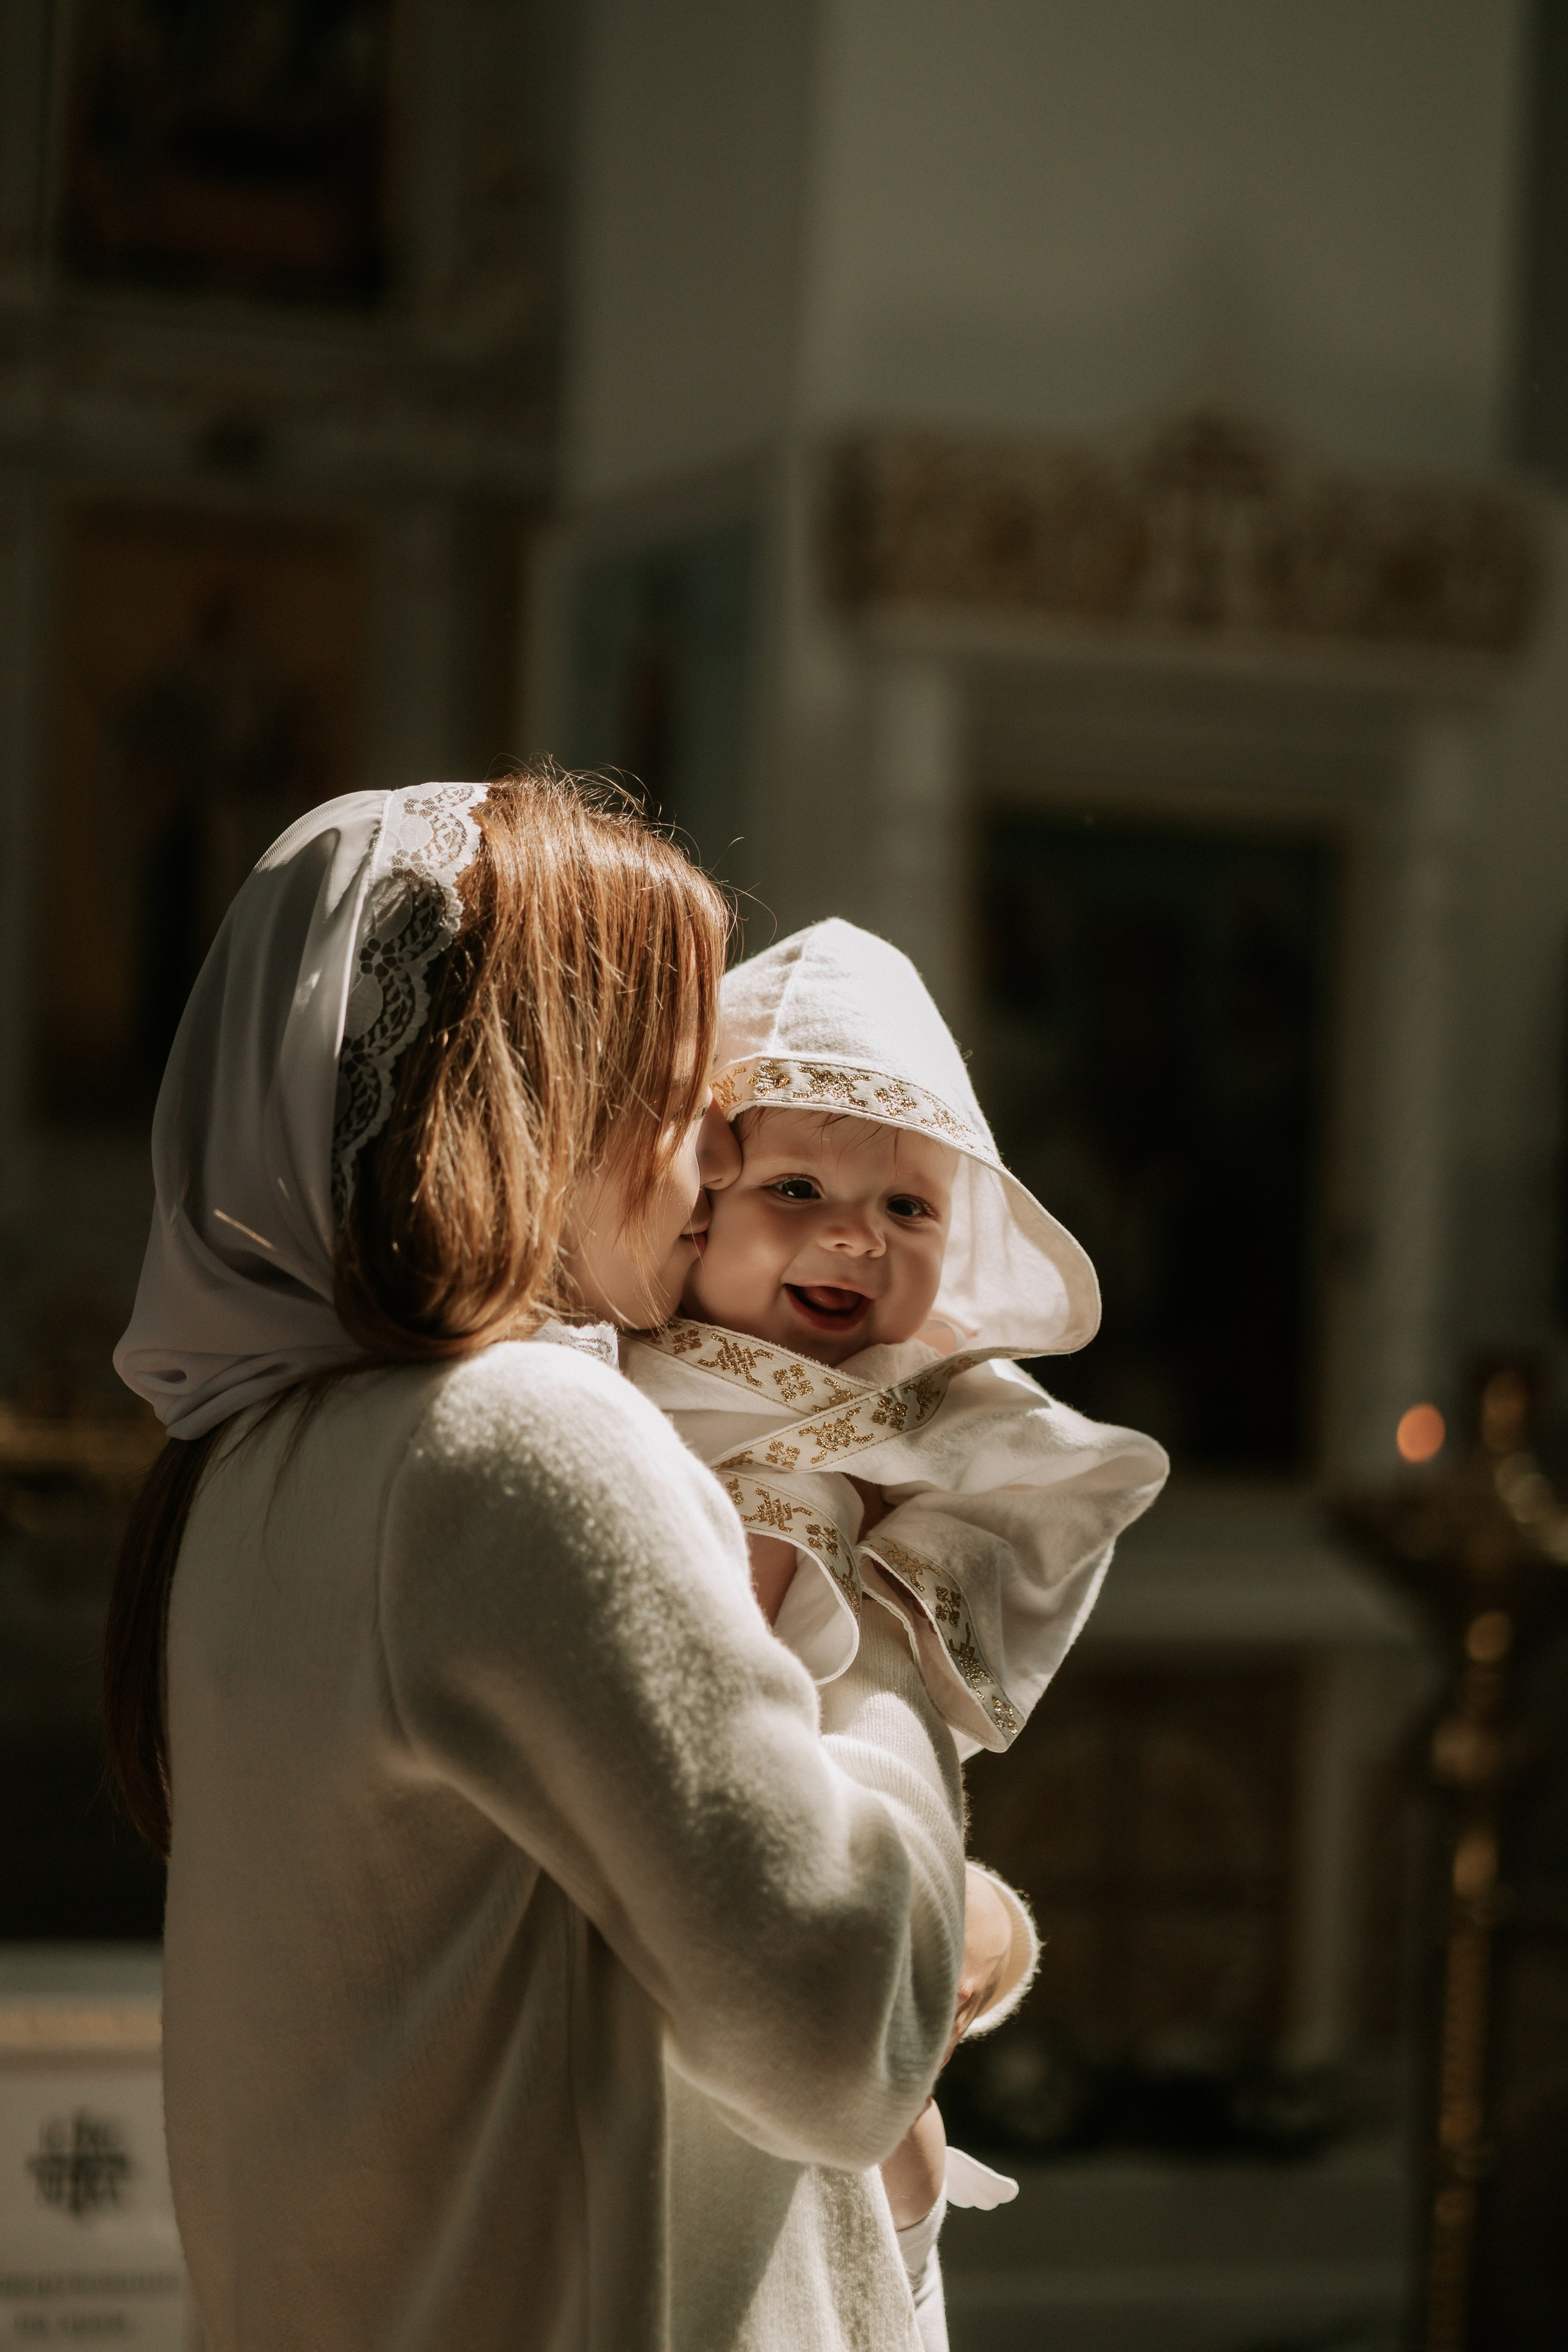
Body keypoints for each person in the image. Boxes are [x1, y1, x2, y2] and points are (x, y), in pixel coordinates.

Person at [104, 775, 976, 2352]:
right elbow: (841, 2030)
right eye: (675, 1094)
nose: (712, 1166)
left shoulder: (255, 1461)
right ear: (537, 1094)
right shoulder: (518, 1442)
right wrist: (909, 1629)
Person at [625, 917, 1170, 2334]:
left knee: (872, 2197)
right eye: (795, 1185)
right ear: (687, 1203)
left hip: (838, 1919)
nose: (855, 1236)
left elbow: (979, 1591)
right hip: (666, 1923)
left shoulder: (936, 1419)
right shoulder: (608, 1390)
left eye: (910, 1209)